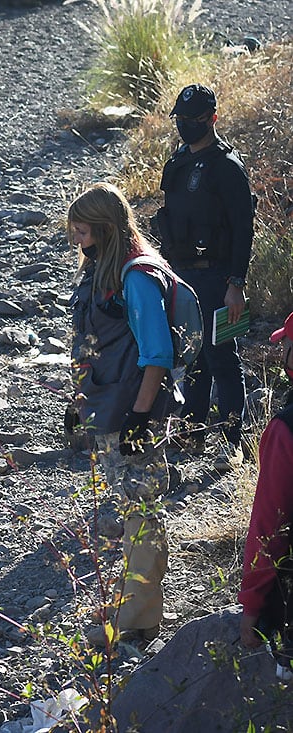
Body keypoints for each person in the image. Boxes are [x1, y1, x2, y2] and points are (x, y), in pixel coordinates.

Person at [69, 182, 174, 645]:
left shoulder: (136, 278)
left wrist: (139, 418)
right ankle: (133, 603)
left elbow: (158, 353)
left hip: (134, 411)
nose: (77, 241)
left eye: (83, 232)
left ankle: (140, 620)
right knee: (132, 509)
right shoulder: (105, 272)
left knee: (143, 513)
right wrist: (79, 403)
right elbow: (95, 344)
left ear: (106, 229)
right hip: (110, 405)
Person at [155, 84, 254, 471]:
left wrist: (236, 285)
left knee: (224, 359)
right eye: (181, 120)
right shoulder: (179, 160)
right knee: (193, 356)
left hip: (219, 278)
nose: (186, 127)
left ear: (212, 118)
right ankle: (193, 431)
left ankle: (233, 441)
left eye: (194, 121)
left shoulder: (227, 167)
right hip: (182, 275)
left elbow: (243, 229)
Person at [238, 311, 293, 679]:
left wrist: (251, 608)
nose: (281, 353)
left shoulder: (285, 430)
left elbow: (268, 527)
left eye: (287, 346)